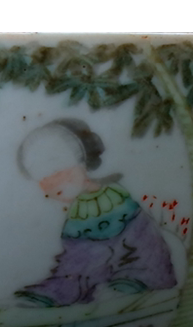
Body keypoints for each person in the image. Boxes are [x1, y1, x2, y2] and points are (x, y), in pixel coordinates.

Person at [16, 119, 177, 307]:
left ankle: (132, 281)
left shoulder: (116, 199)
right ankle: (61, 290)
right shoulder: (79, 211)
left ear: (81, 163)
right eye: (43, 180)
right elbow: (77, 257)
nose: (51, 185)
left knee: (132, 256)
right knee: (78, 262)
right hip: (99, 272)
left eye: (57, 171)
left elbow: (143, 241)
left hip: (136, 267)